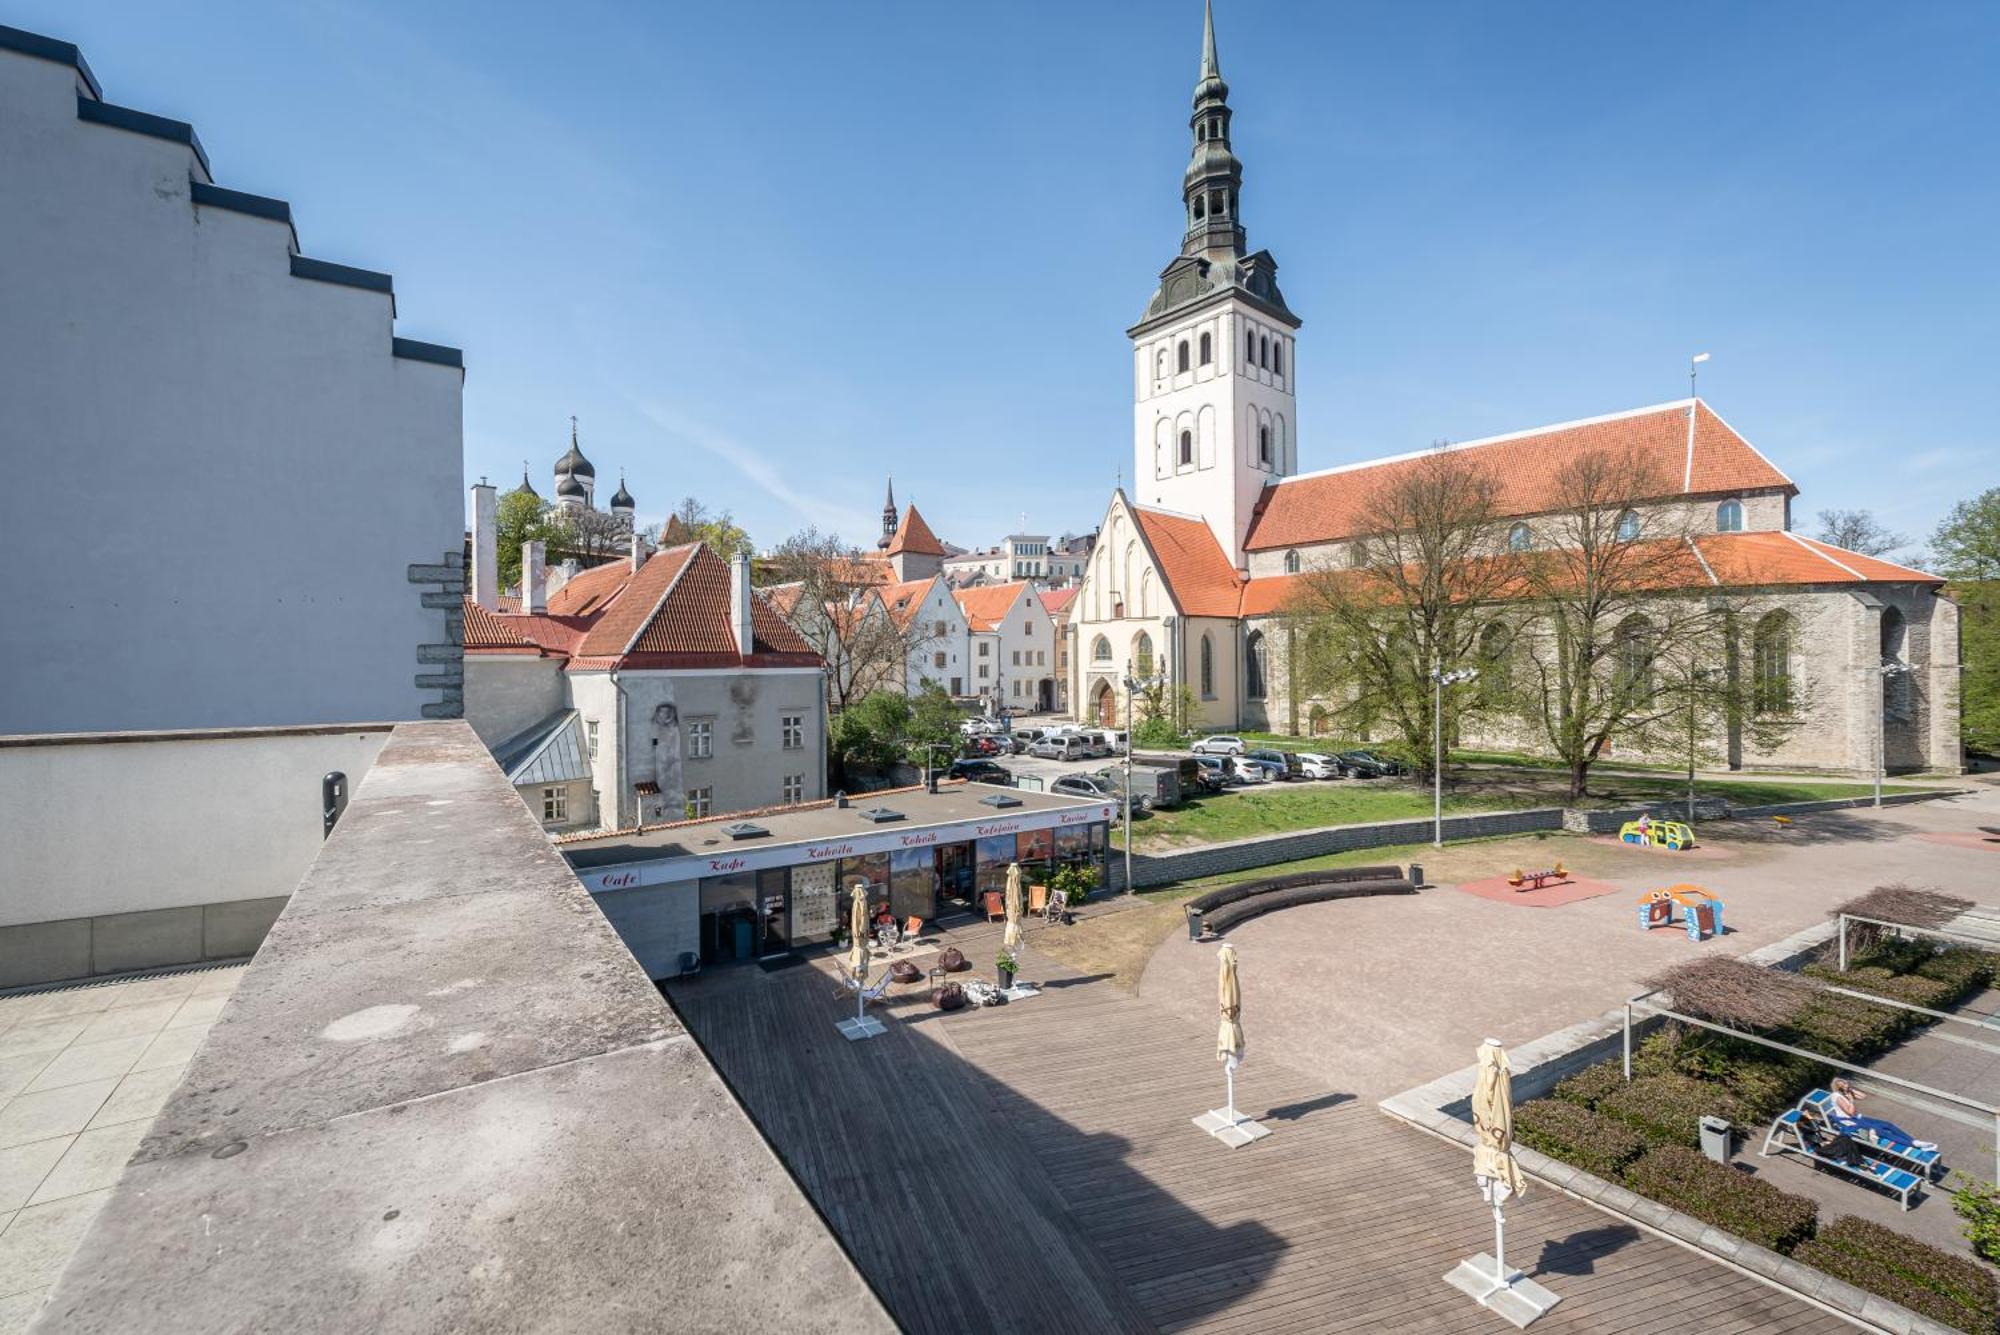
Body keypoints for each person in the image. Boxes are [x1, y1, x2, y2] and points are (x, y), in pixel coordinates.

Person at [1829, 1078, 1936, 1151]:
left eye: (1846, 1083)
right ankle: (1913, 1145)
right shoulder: (1838, 1097)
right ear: (1839, 1088)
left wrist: (1850, 1090)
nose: (1847, 1086)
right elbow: (1850, 1112)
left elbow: (1863, 1096)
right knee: (1882, 1131)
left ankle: (1914, 1141)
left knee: (1887, 1124)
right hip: (1850, 1122)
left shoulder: (1845, 1093)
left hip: (1857, 1118)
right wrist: (1851, 1100)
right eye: (1844, 1085)